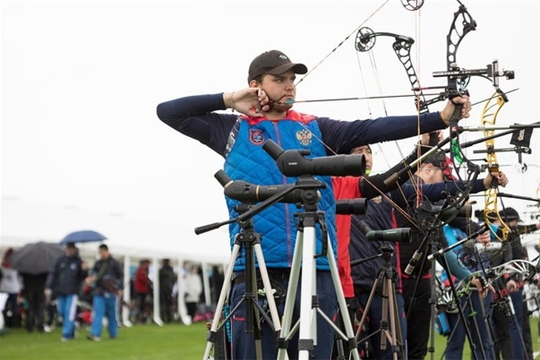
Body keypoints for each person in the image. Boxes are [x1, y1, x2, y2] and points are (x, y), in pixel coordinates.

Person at [156, 49, 472, 359]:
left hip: (316, 266)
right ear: (256, 84)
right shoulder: (232, 129)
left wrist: (438, 118)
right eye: (279, 79)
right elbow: (167, 111)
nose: (290, 85)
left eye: (292, 79)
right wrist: (228, 99)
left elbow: (368, 129)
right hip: (257, 266)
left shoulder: (314, 128)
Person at [392, 151, 508, 360]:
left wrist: (470, 276)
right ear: (427, 168)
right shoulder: (404, 190)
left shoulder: (432, 205)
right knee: (394, 348)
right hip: (396, 282)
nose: (444, 187)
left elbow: (442, 251)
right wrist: (483, 182)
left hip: (422, 282)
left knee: (417, 351)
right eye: (443, 180)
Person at [45, 243, 88, 341]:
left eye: (71, 249)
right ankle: (72, 327)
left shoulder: (78, 261)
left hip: (72, 292)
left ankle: (66, 334)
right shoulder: (60, 261)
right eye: (68, 248)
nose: (69, 250)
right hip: (60, 291)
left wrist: (84, 270)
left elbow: (82, 277)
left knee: (69, 312)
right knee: (61, 312)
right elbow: (53, 274)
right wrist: (48, 286)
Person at [86, 244, 123, 341]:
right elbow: (92, 274)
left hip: (111, 291)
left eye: (102, 252)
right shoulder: (98, 263)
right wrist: (91, 278)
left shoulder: (115, 263)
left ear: (106, 251)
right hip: (99, 291)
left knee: (112, 314)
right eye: (100, 252)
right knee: (98, 313)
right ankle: (96, 334)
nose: (101, 254)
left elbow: (121, 276)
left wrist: (120, 288)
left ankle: (113, 333)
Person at [0, 248, 22, 329]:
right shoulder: (17, 266)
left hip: (4, 288)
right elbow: (19, 278)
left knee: (4, 307)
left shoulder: (3, 266)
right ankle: (15, 322)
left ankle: (6, 323)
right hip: (14, 288)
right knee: (14, 307)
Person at [133, 259, 152, 323]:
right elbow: (143, 279)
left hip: (143, 290)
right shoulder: (140, 271)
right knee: (140, 304)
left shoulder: (143, 271)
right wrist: (148, 281)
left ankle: (141, 317)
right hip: (140, 290)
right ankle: (138, 317)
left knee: (143, 305)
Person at [158, 259, 176, 323]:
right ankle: (169, 318)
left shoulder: (162, 270)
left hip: (164, 289)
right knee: (168, 305)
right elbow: (173, 279)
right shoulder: (171, 270)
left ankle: (164, 318)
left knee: (164, 304)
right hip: (169, 289)